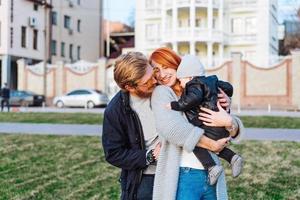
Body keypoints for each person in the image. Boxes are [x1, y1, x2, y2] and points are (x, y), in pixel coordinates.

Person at [150, 47, 244, 200]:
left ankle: (232, 158)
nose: (162, 74)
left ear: (176, 64)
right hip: (183, 173)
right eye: (156, 71)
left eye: (165, 67)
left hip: (213, 174)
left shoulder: (199, 86)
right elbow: (175, 130)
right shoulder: (162, 93)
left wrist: (229, 121)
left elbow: (230, 128)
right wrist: (213, 145)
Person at [167, 54, 243, 185]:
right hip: (218, 127)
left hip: (208, 124)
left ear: (190, 77)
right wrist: (226, 94)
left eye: (181, 80)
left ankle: (211, 167)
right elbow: (228, 87)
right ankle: (233, 157)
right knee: (211, 143)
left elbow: (191, 100)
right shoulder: (211, 81)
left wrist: (174, 105)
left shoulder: (194, 85)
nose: (181, 83)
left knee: (195, 142)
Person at [102, 52, 161, 200]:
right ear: (129, 86)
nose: (155, 81)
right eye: (147, 81)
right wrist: (150, 155)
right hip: (145, 180)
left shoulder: (162, 87)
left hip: (180, 171)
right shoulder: (115, 111)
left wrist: (224, 94)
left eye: (153, 74)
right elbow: (113, 154)